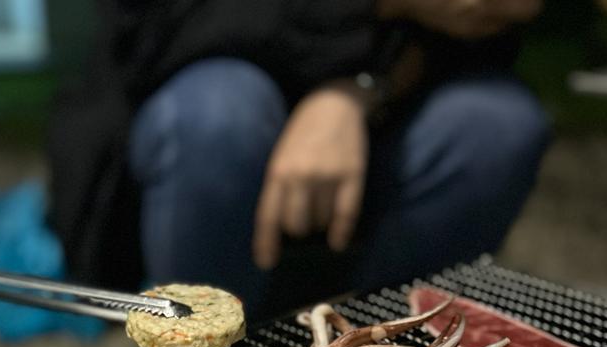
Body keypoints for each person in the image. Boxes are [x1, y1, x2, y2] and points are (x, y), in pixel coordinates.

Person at [48, 0, 550, 318]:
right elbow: (152, 30)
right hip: (199, 82)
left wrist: (357, 89)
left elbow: (484, 45)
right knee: (215, 114)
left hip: (389, 102)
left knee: (497, 126)